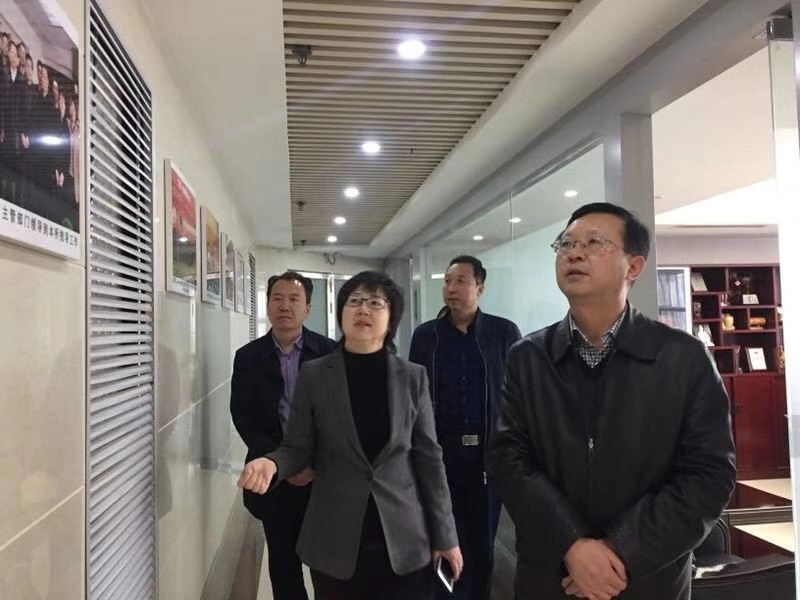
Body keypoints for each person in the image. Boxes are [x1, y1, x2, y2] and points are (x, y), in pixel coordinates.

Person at [488, 203, 736, 600]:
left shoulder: (683, 358)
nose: (574, 253)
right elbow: (508, 460)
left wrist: (620, 551)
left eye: (593, 242)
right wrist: (573, 546)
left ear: (633, 266)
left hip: (648, 579)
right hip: (551, 577)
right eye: (566, 244)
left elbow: (708, 475)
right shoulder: (528, 357)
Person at [238, 271, 463, 600]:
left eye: (375, 302)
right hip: (336, 537)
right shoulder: (315, 375)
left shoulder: (413, 377)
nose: (364, 309)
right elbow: (297, 447)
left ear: (391, 317)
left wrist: (446, 535)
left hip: (405, 537)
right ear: (341, 313)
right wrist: (272, 463)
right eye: (354, 301)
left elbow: (430, 460)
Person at [409, 255, 521, 600]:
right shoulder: (426, 336)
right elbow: (413, 399)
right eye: (447, 281)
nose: (451, 288)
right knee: (444, 544)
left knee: (482, 547)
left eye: (460, 281)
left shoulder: (503, 332)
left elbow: (517, 394)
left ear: (480, 288)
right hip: (441, 459)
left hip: (487, 459)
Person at [230, 271, 336, 600]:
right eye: (277, 298)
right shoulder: (248, 357)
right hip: (273, 478)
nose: (285, 306)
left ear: (308, 308)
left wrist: (312, 464)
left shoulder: (331, 353)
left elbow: (339, 418)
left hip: (322, 477)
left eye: (294, 299)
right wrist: (281, 464)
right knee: (282, 561)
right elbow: (243, 416)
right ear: (267, 305)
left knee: (327, 564)